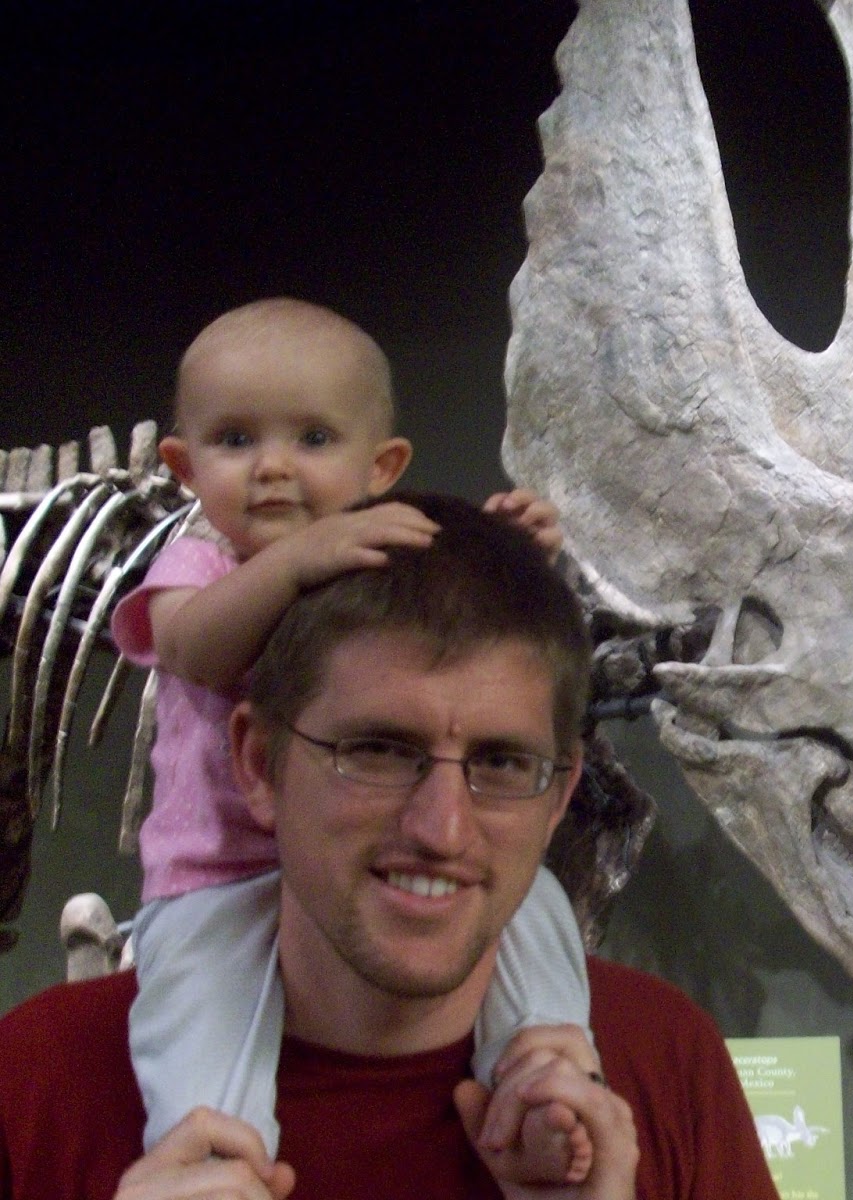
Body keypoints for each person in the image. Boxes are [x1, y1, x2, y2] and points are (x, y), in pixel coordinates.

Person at [0, 493, 780, 1199]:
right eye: (376, 750)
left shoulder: (666, 1060)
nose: (443, 830)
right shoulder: (36, 1081)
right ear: (259, 764)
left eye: (503, 763)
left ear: (558, 795)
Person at [106, 299, 589, 1184]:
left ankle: (543, 1073)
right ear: (183, 466)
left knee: (537, 910)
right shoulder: (200, 567)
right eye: (236, 440)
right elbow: (191, 648)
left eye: (315, 439)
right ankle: (214, 1162)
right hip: (214, 877)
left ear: (384, 467)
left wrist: (510, 552)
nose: (273, 468)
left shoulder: (357, 562)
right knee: (203, 1038)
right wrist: (297, 561)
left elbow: (453, 621)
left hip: (345, 872)